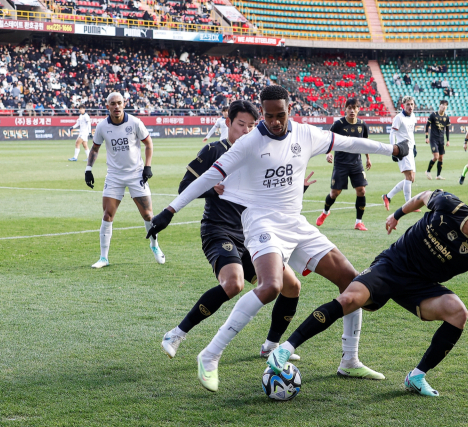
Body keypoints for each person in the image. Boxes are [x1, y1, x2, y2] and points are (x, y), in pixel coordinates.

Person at [147, 85, 409, 392]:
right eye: (268, 116)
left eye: (280, 115)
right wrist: (169, 210)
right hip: (261, 221)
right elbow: (209, 177)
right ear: (262, 112)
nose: (274, 122)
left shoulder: (306, 135)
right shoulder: (249, 143)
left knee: (353, 283)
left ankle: (349, 361)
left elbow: (349, 142)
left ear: (290, 109)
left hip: (296, 223)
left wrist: (390, 150)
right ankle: (210, 354)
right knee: (271, 286)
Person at [267, 187, 468, 397]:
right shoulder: (450, 205)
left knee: (458, 313)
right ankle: (285, 349)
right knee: (350, 299)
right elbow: (423, 197)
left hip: (421, 288)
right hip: (391, 267)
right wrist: (397, 214)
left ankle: (417, 376)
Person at [161, 100, 311, 367]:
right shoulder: (214, 150)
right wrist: (212, 188)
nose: (246, 130)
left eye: (252, 125)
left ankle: (270, 346)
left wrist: (298, 188)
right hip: (219, 230)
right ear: (228, 122)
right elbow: (186, 185)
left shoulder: (261, 151)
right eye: (241, 124)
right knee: (233, 284)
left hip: (253, 234)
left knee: (292, 287)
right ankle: (176, 334)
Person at [85, 92, 165, 268]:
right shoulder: (102, 127)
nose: (116, 106)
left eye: (119, 103)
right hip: (114, 176)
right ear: (107, 106)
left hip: (136, 174)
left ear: (124, 104)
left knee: (148, 215)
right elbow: (95, 149)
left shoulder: (135, 122)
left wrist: (148, 167)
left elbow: (149, 144)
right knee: (107, 215)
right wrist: (88, 169)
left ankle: (155, 245)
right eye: (113, 103)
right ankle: (103, 258)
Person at [316, 98, 371, 231]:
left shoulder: (362, 125)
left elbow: (365, 143)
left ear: (358, 109)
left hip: (356, 163)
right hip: (341, 164)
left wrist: (368, 158)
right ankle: (325, 212)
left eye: (355, 108)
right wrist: (328, 153)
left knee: (361, 190)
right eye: (349, 108)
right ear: (345, 109)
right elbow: (328, 139)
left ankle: (359, 222)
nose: (352, 111)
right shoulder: (338, 124)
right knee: (335, 193)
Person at [382, 96, 417, 210]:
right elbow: (392, 133)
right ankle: (409, 205)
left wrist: (414, 146)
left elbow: (411, 133)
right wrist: (393, 149)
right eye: (408, 104)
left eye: (412, 104)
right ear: (403, 105)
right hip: (402, 149)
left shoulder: (413, 117)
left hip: (410, 149)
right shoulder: (399, 117)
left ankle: (387, 197)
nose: (410, 106)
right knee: (409, 176)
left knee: (411, 178)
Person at [424, 100, 450, 181]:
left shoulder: (446, 117)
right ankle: (428, 171)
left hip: (441, 140)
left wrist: (448, 140)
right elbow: (427, 125)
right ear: (439, 106)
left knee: (441, 158)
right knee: (436, 156)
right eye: (442, 105)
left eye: (445, 106)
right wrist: (426, 137)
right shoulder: (433, 115)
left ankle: (438, 175)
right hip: (433, 139)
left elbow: (447, 129)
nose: (444, 107)